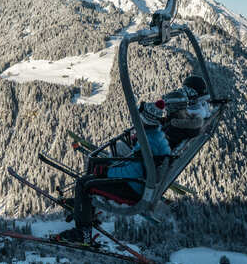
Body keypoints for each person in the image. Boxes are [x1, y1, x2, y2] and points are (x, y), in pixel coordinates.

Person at [56, 101, 171, 244]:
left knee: (84, 184)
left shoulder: (148, 142)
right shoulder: (155, 136)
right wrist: (107, 167)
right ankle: (84, 208)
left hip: (133, 188)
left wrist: (107, 172)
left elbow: (132, 171)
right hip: (141, 183)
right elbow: (137, 165)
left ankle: (83, 234)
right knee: (97, 165)